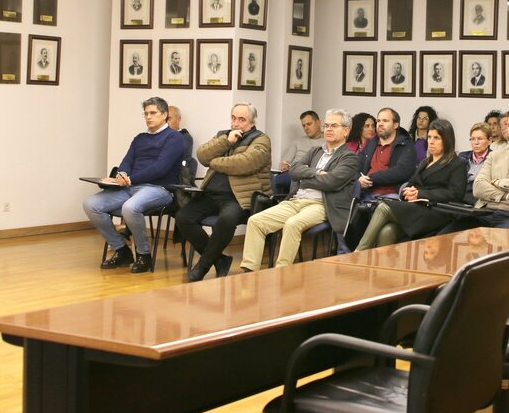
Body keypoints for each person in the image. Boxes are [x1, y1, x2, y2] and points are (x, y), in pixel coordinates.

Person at [239, 109, 359, 271]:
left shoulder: (349, 157)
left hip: (321, 205)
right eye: (326, 126)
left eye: (334, 126)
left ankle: (281, 271)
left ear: (346, 130)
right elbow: (294, 170)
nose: (328, 129)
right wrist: (317, 173)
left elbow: (331, 182)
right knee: (255, 221)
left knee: (292, 224)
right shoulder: (315, 151)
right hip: (296, 200)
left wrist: (306, 178)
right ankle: (249, 270)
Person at [82, 97, 186, 273]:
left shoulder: (174, 138)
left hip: (159, 189)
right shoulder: (140, 138)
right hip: (130, 187)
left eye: (153, 113)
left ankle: (143, 254)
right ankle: (122, 250)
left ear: (164, 115)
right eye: (146, 113)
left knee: (130, 207)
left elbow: (160, 168)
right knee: (91, 204)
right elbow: (127, 161)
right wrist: (122, 175)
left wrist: (130, 179)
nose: (148, 117)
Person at [177, 103, 272, 282]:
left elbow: (244, 164)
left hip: (239, 198)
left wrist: (214, 162)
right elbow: (202, 155)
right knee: (183, 217)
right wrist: (226, 141)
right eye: (233, 118)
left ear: (252, 122)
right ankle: (220, 260)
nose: (236, 123)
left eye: (242, 120)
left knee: (226, 220)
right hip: (210, 194)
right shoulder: (223, 135)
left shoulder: (261, 140)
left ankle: (202, 266)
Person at [356, 119, 468, 248]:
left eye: (437, 138)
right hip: (417, 208)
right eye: (429, 137)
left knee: (383, 208)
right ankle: (381, 261)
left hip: (437, 211)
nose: (431, 141)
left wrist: (420, 194)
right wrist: (407, 192)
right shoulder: (425, 162)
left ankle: (359, 251)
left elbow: (456, 194)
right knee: (387, 232)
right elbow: (410, 184)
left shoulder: (456, 164)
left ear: (447, 140)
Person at [357, 108, 415, 199]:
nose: (380, 124)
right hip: (365, 192)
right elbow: (355, 165)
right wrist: (359, 179)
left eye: (385, 121)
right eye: (378, 121)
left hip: (391, 195)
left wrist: (371, 179)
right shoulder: (371, 143)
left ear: (395, 125)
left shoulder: (405, 144)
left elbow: (402, 171)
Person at [458, 122, 492, 203]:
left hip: (480, 200)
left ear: (490, 141)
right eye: (473, 139)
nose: (476, 143)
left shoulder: (494, 158)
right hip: (459, 198)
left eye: (480, 139)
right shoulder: (462, 156)